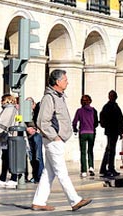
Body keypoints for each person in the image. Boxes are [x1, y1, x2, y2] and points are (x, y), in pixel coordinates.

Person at [31, 69, 92, 212]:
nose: (67, 82)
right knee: (61, 171)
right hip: (54, 140)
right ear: (57, 82)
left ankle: (38, 201)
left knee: (49, 172)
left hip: (57, 139)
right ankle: (74, 200)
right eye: (65, 79)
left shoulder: (59, 96)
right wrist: (55, 136)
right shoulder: (49, 98)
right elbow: (42, 121)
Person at [99, 90, 123, 178]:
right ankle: (109, 168)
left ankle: (106, 168)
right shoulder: (109, 107)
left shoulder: (113, 106)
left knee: (110, 149)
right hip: (111, 131)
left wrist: (121, 130)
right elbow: (118, 119)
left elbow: (120, 119)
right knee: (110, 150)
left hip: (113, 131)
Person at [72, 94, 99, 178]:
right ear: (90, 101)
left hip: (83, 132)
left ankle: (84, 170)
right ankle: (91, 167)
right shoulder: (94, 110)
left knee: (83, 152)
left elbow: (74, 122)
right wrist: (92, 127)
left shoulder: (79, 111)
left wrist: (75, 129)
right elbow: (96, 123)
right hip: (91, 132)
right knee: (90, 150)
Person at [0, 94, 19, 188]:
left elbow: (3, 122)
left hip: (9, 136)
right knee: (6, 157)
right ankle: (4, 177)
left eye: (2, 100)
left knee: (8, 157)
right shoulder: (13, 109)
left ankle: (12, 178)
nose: (1, 102)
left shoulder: (9, 109)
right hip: (10, 136)